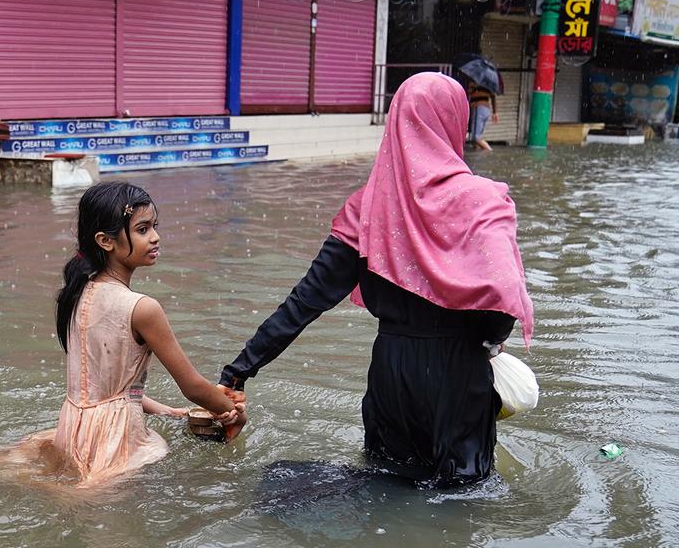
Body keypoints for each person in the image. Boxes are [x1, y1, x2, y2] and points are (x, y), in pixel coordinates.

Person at [217, 73, 534, 489]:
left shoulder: (366, 210)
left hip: (391, 375)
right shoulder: (483, 200)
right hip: (459, 373)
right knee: (463, 493)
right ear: (454, 121)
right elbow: (503, 296)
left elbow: (305, 302)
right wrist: (491, 340)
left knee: (387, 481)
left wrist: (237, 372)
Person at [0, 181, 245, 488]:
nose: (155, 237)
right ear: (105, 241)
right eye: (142, 229)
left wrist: (166, 410)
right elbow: (193, 387)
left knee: (74, 490)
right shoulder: (143, 308)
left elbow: (103, 390)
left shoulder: (76, 293)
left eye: (155, 226)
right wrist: (232, 412)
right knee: (95, 501)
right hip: (117, 437)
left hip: (73, 428)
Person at [467, 82, 498, 151]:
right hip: (484, 110)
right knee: (474, 140)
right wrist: (495, 112)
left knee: (477, 138)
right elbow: (493, 96)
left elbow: (470, 92)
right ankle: (477, 155)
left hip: (479, 109)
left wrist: (472, 87)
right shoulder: (487, 84)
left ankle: (490, 152)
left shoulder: (476, 84)